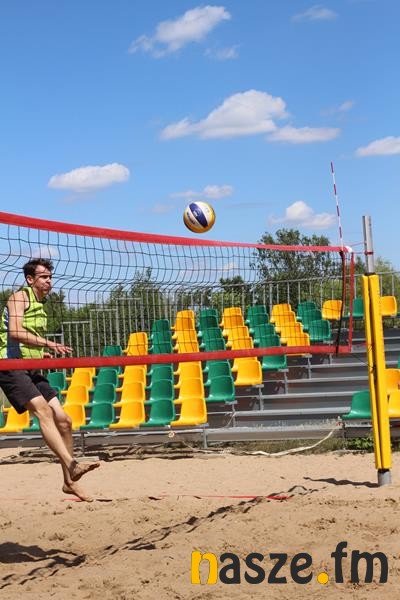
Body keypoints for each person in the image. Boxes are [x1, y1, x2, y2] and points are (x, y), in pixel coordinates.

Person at [0, 258, 99, 501]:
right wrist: (49, 343)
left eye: (50, 277)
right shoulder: (19, 297)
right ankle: (72, 464)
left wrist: (39, 352)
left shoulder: (41, 304)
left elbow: (27, 337)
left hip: (29, 365)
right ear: (30, 279)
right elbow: (15, 332)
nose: (49, 281)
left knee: (64, 421)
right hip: (9, 365)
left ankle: (69, 483)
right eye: (43, 277)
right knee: (43, 411)